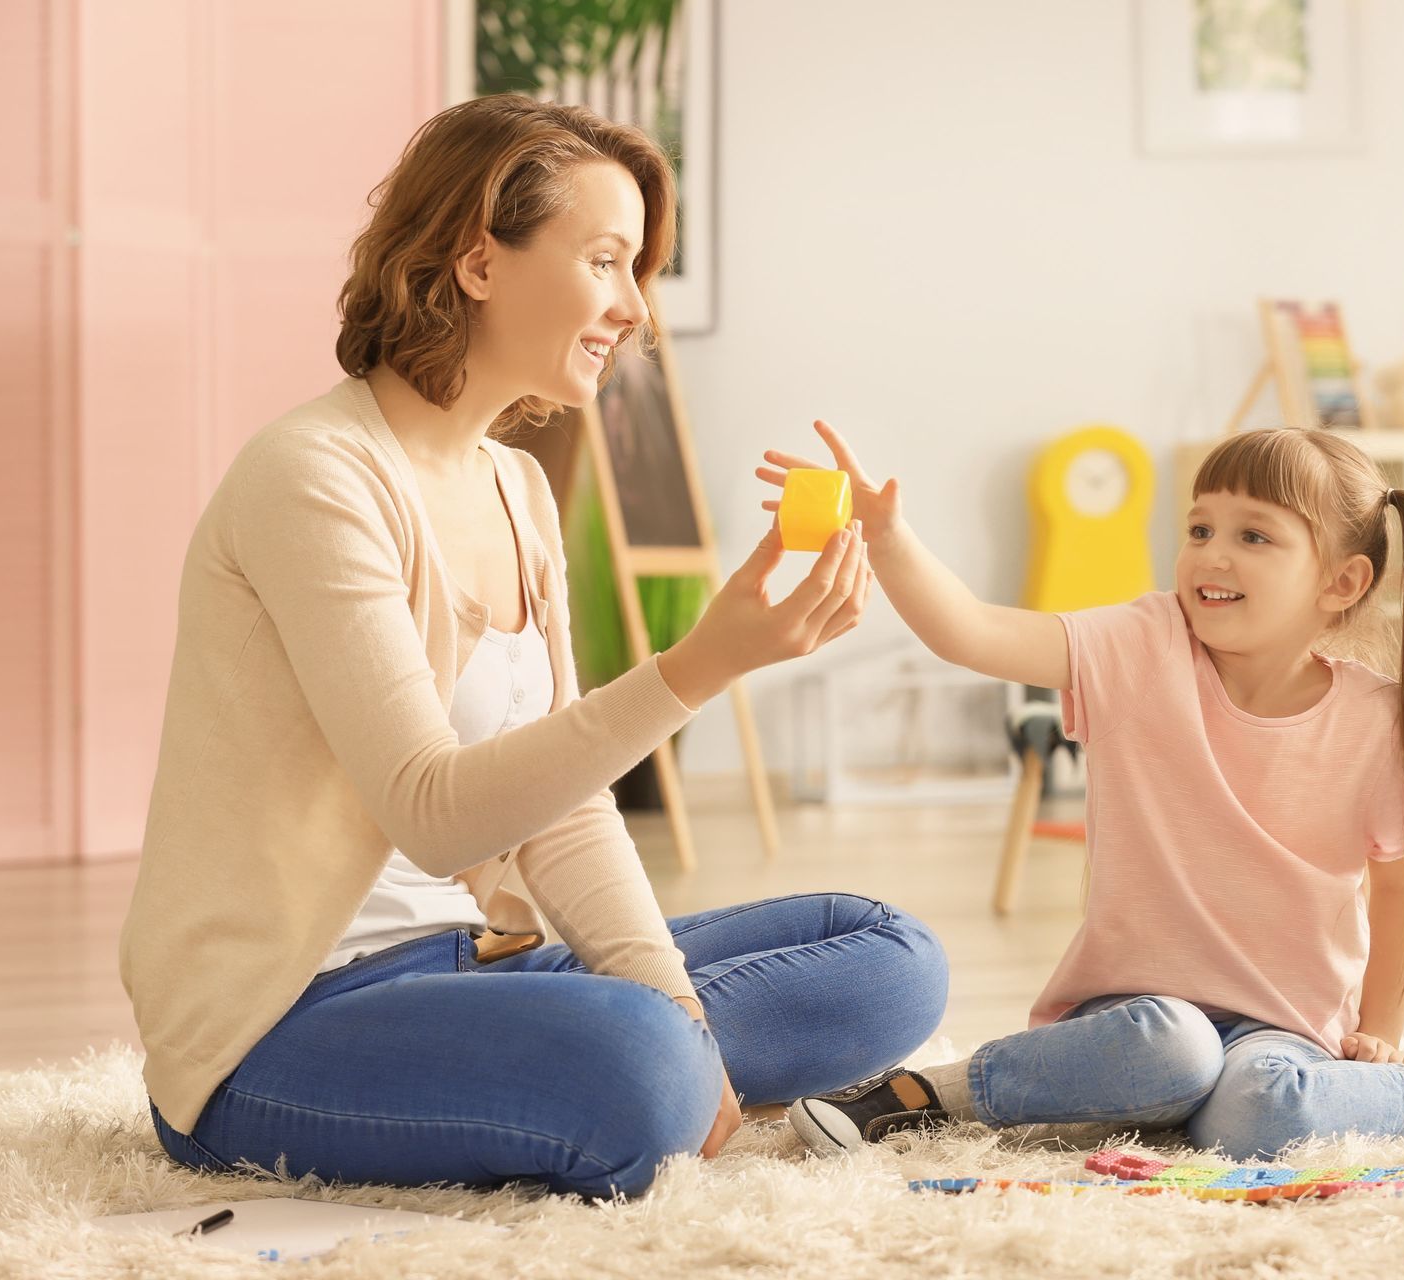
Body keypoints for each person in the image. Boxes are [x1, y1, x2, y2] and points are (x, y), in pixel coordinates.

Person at [118, 95, 947, 1199]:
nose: (633, 310)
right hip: (287, 1019)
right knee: (636, 1063)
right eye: (606, 261)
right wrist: (701, 665)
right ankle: (635, 1069)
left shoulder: (516, 487)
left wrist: (674, 1000)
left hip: (485, 967)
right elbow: (432, 808)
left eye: (637, 271)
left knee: (889, 953)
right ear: (476, 262)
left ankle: (641, 1062)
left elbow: (565, 802)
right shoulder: (314, 475)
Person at [766, 423, 1404, 1158]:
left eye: (1254, 536)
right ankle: (929, 1093)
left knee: (1267, 1113)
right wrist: (888, 540)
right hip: (1130, 1018)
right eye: (1199, 529)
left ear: (1342, 583)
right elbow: (974, 634)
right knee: (1174, 1052)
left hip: (1282, 1028)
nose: (1211, 556)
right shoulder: (1143, 645)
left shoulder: (1380, 722)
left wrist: (1382, 1034)